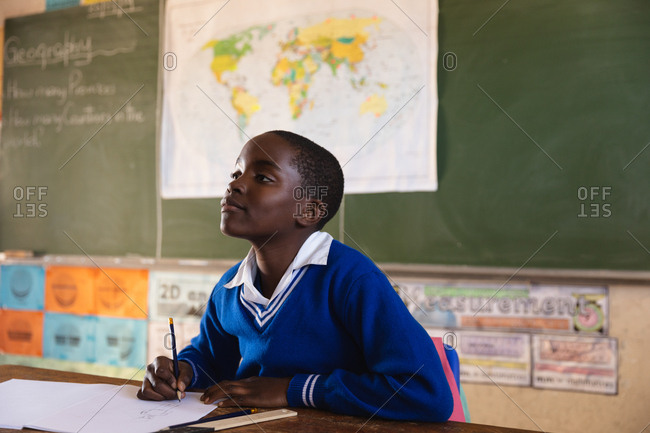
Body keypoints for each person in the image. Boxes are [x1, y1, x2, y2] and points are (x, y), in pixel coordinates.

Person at [137, 130, 454, 422]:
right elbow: (212, 359)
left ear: (309, 211)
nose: (234, 184)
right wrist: (183, 370)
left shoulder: (352, 280)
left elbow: (427, 393)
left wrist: (293, 389)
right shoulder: (230, 288)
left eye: (262, 176)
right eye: (235, 172)